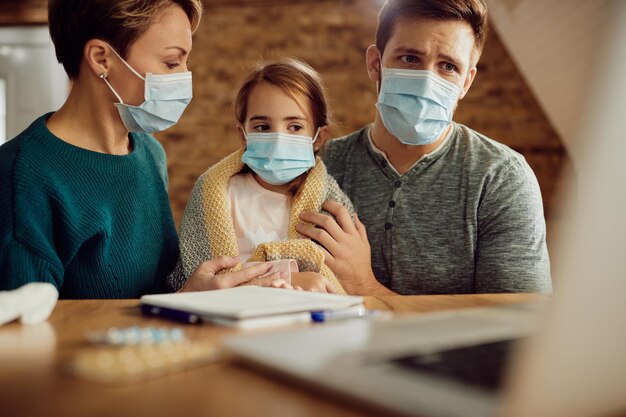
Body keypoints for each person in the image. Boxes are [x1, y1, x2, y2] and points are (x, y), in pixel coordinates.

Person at [0, 0, 288, 298]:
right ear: (101, 59)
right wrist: (181, 304)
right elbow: (25, 336)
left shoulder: (149, 153)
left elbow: (155, 291)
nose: (183, 77)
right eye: (172, 63)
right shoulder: (22, 176)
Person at [296, 0, 552, 295]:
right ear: (375, 64)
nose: (427, 80)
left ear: (466, 83)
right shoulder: (320, 166)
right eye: (409, 59)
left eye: (448, 66)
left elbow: (515, 326)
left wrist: (364, 286)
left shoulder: (500, 178)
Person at [167, 58, 354, 294]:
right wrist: (290, 277)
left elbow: (344, 279)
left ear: (318, 137)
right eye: (263, 127)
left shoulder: (328, 205)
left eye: (295, 127)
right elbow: (196, 277)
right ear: (243, 134)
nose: (277, 139)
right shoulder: (215, 194)